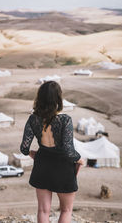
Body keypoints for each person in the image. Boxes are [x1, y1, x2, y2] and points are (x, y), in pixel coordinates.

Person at [20, 81, 84, 223]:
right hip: (63, 168)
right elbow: (68, 150)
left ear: (40, 98)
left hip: (42, 164)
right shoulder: (65, 120)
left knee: (43, 210)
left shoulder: (33, 119)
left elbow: (24, 148)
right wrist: (79, 159)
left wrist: (33, 154)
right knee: (66, 210)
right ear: (58, 98)